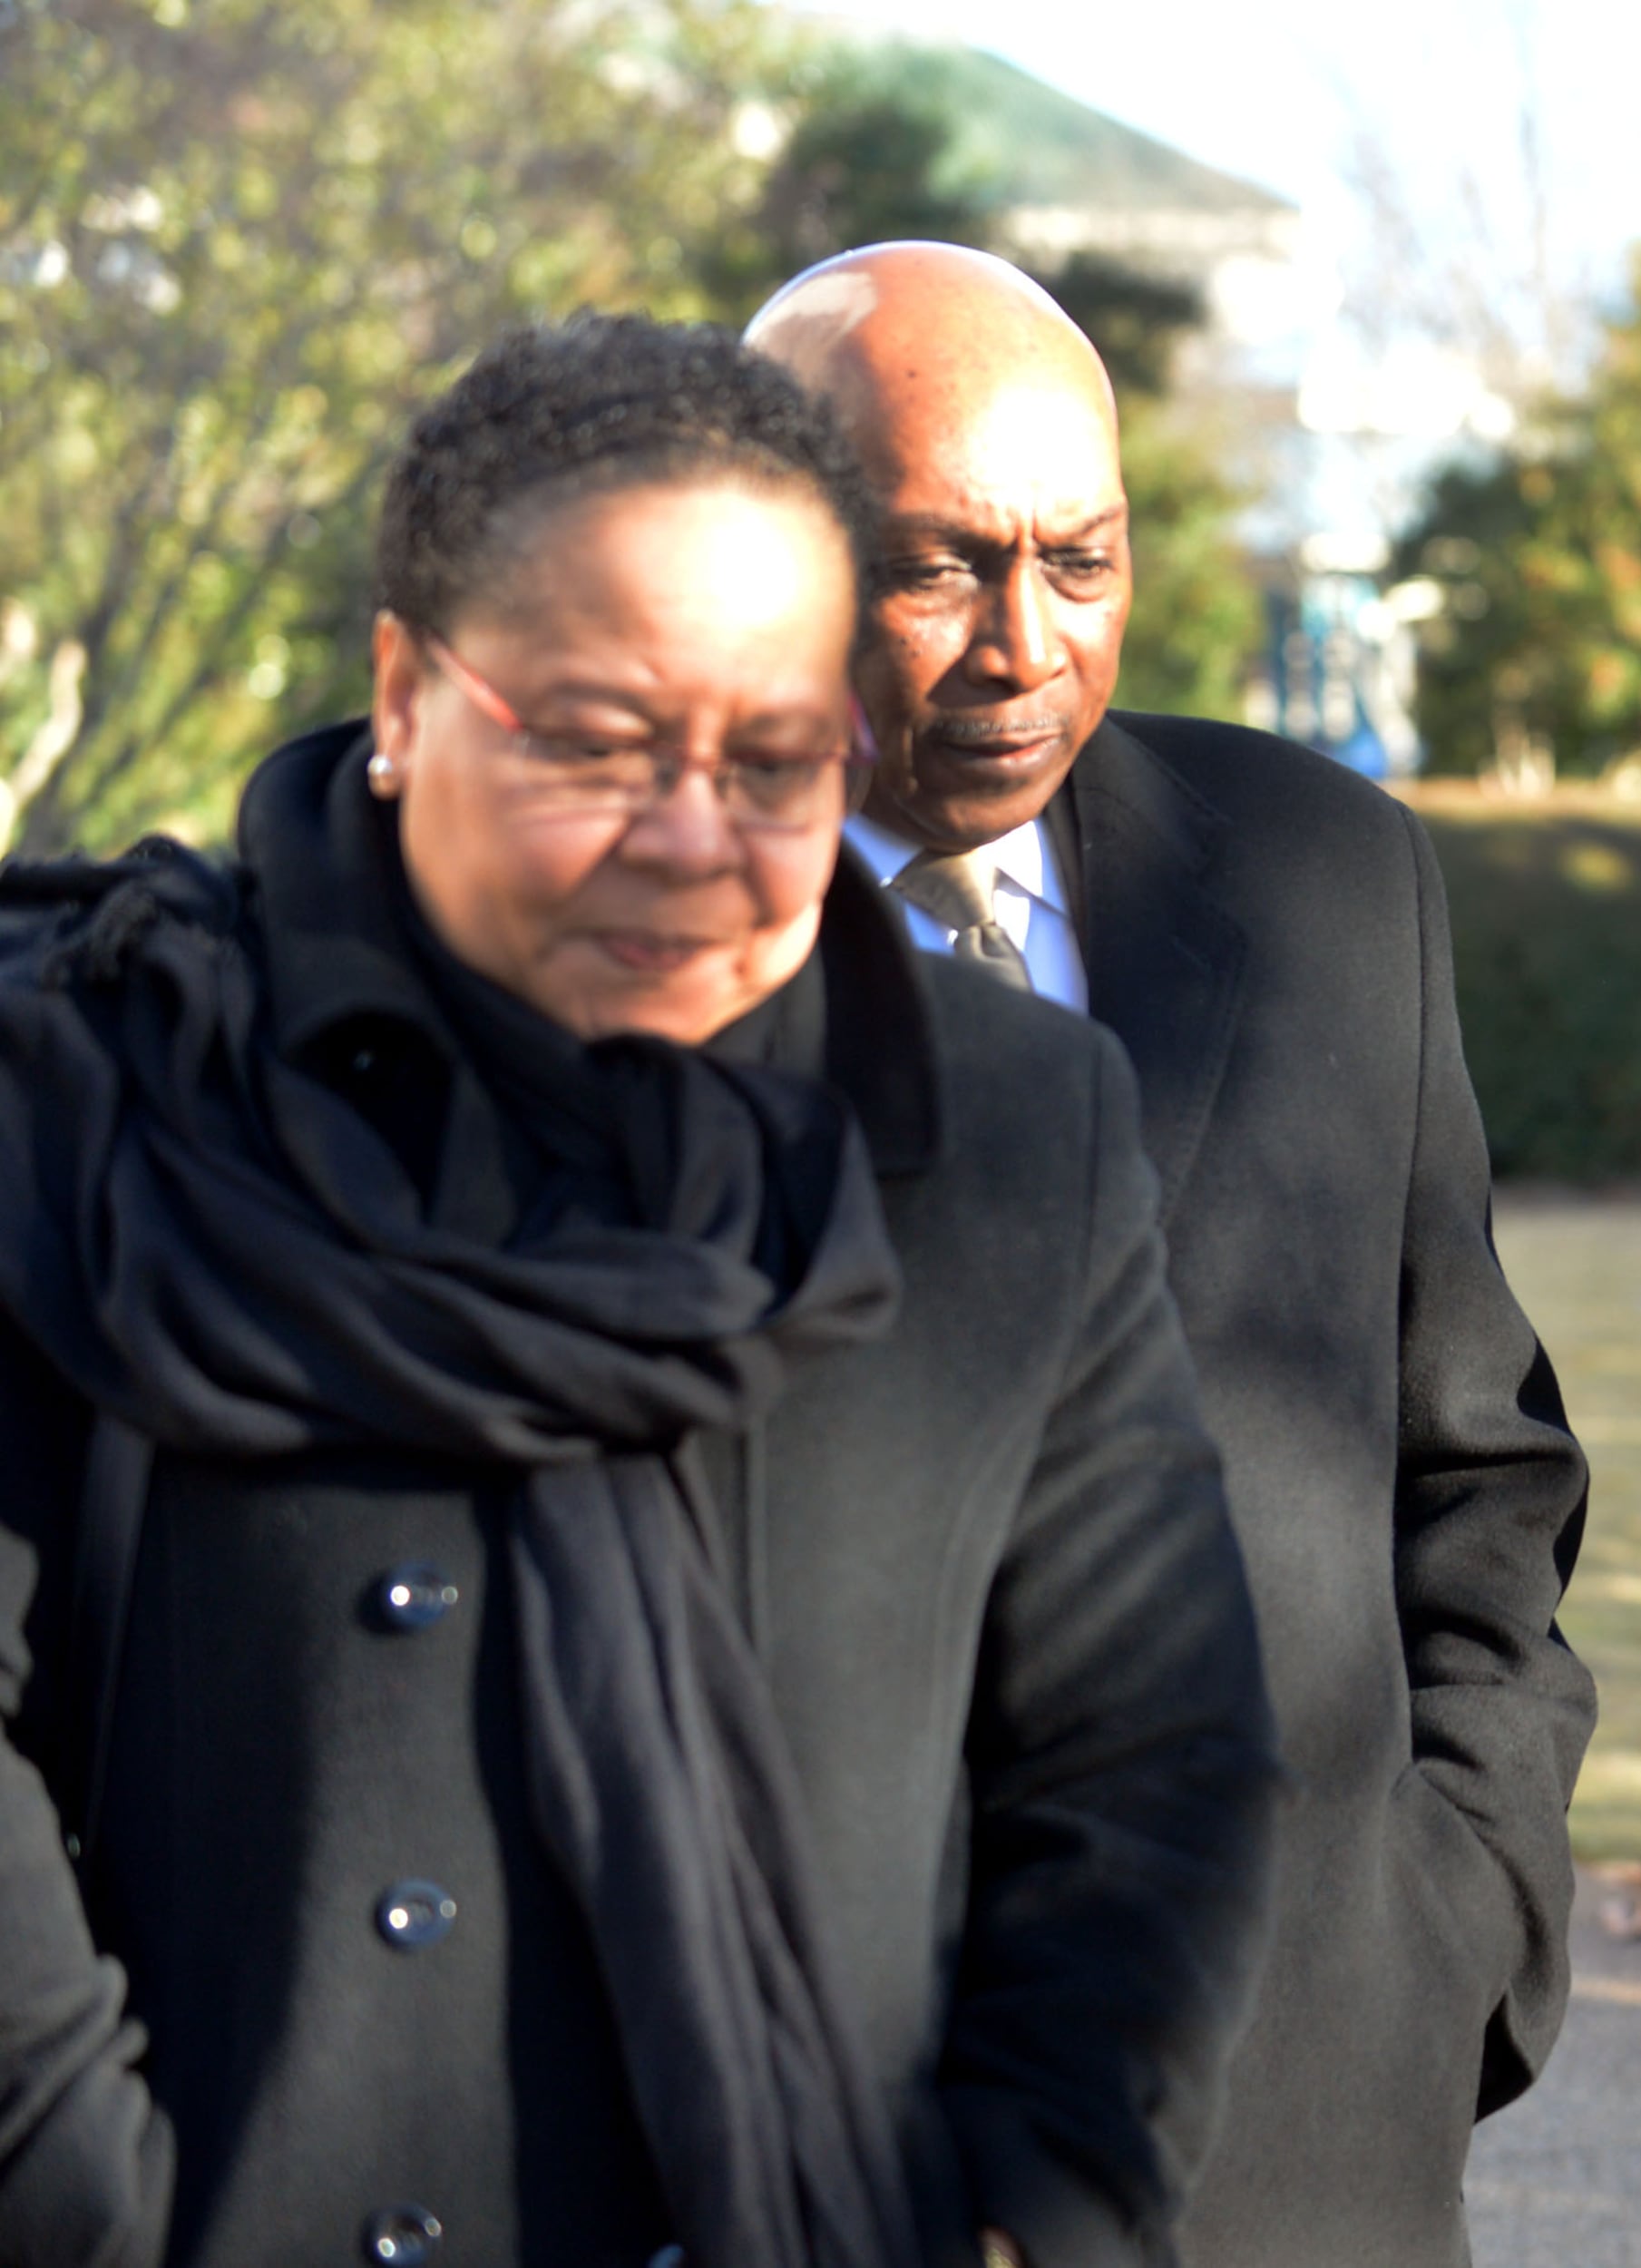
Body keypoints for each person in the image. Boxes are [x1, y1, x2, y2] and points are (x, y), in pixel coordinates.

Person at [0, 316, 1277, 2268]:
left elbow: (1147, 1759)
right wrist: (101, 2209)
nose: (696, 840)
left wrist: (1024, 2216)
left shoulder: (1004, 1133)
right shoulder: (98, 1099)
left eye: (774, 757)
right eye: (600, 742)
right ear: (409, 694)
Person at [747, 245, 1596, 2266]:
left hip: (1314, 2132)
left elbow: (1479, 1463)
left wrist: (1462, 1925)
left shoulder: (1329, 876)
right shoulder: (623, 944)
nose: (1023, 644)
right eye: (940, 567)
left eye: (1086, 558)